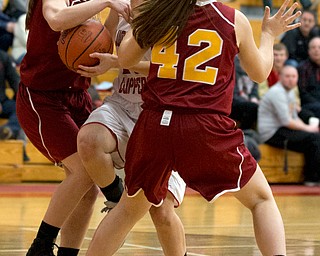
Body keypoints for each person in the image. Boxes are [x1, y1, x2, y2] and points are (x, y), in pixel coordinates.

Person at [85, 0, 301, 255]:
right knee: (261, 200)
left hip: (155, 124)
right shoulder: (233, 19)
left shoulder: (161, 11)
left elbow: (126, 58)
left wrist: (143, 17)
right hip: (203, 126)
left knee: (127, 210)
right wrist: (268, 34)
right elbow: (260, 72)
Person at [15, 0, 130, 255]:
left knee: (87, 187)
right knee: (84, 170)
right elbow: (56, 19)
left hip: (76, 95)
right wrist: (108, 1)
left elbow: (103, 37)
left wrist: (113, 9)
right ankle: (40, 247)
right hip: (42, 98)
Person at [77, 4, 187, 255]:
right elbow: (103, 37)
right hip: (122, 104)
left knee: (162, 212)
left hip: (162, 112)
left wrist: (117, 62)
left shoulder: (173, 11)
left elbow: (168, 68)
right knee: (88, 140)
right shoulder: (121, 5)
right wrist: (88, 50)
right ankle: (116, 198)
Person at [258, 65, 320, 186]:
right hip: (272, 133)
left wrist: (310, 129)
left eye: (294, 76)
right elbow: (287, 121)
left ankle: (313, 176)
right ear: (280, 77)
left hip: (282, 128)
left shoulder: (290, 92)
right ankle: (311, 178)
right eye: (287, 76)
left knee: (314, 136)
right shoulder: (277, 93)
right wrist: (308, 129)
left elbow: (295, 118)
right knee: (314, 139)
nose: (291, 79)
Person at [0, 49, 29, 160]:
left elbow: (15, 81)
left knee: (22, 108)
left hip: (4, 103)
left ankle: (9, 130)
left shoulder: (3, 57)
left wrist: (23, 100)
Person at [297, 36, 320, 120]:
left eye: (319, 47)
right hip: (309, 104)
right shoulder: (303, 68)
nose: (316, 50)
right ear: (309, 51)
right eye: (313, 47)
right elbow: (303, 93)